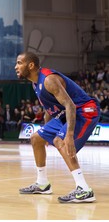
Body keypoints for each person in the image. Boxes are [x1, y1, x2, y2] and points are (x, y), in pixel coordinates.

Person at [15, 51, 100, 203]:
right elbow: (49, 110)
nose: (16, 67)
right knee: (36, 139)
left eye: (19, 63)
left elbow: (70, 106)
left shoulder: (49, 80)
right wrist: (46, 132)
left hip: (85, 110)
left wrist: (69, 135)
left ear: (31, 65)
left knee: (61, 142)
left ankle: (84, 189)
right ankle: (42, 184)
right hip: (64, 113)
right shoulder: (35, 83)